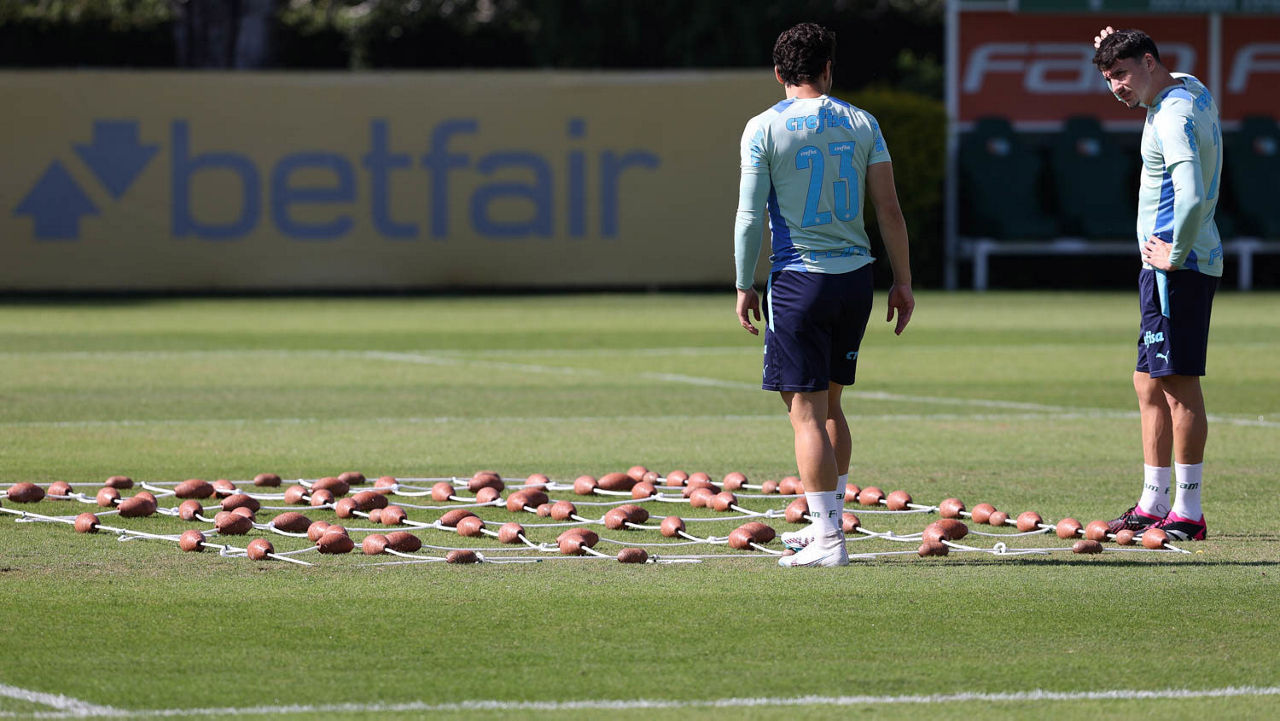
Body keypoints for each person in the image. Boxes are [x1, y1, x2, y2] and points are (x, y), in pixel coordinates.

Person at [733, 22, 914, 567]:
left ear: (778, 72)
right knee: (832, 405)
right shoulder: (862, 121)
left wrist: (744, 282)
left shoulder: (763, 126)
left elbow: (749, 216)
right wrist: (903, 280)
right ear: (829, 68)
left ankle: (829, 539)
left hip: (800, 281)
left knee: (805, 414)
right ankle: (826, 527)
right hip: (855, 279)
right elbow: (889, 210)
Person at [1093, 27, 1223, 541]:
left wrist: (1177, 254)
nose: (1116, 87)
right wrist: (1114, 45)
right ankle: (1153, 502)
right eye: (1108, 78)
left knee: (1178, 386)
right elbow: (1158, 72)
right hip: (1167, 268)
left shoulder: (1171, 117)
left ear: (1149, 62)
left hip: (1177, 270)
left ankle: (1188, 513)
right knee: (1148, 381)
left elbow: (1188, 194)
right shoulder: (1188, 86)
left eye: (1122, 74)